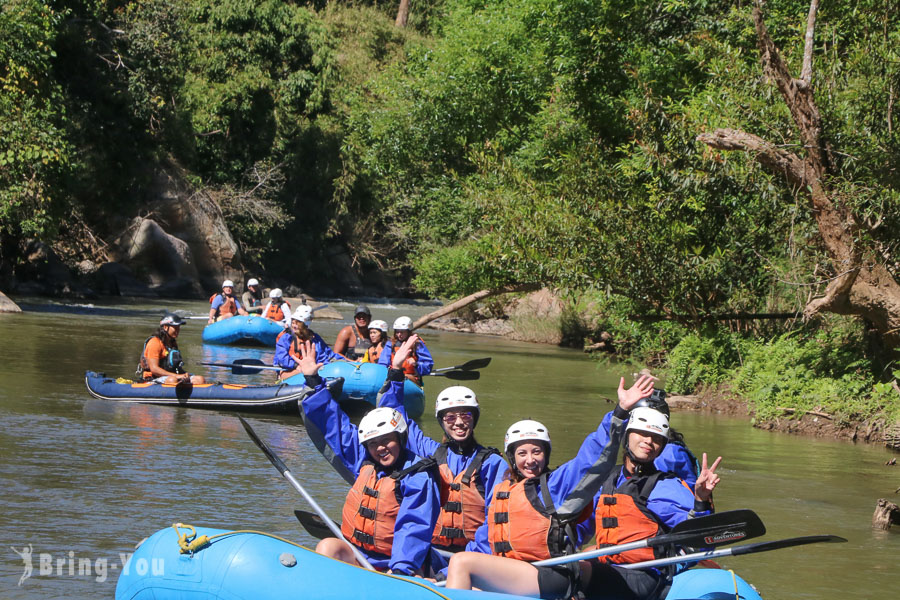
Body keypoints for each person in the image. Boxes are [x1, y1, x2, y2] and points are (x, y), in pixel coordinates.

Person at [444, 376, 656, 599]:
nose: (530, 460)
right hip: (516, 573)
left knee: (461, 561)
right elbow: (484, 544)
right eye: (522, 453)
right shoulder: (503, 492)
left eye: (537, 452)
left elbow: (591, 458)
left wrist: (620, 412)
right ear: (512, 458)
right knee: (466, 576)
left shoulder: (557, 485)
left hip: (551, 573)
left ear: (546, 456)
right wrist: (443, 575)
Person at [296, 339, 441, 575]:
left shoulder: (417, 475)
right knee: (327, 546)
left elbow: (413, 526)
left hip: (399, 564)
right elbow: (336, 426)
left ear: (402, 438)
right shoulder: (365, 462)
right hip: (360, 556)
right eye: (373, 443)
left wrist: (401, 569)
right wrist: (313, 380)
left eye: (387, 441)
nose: (381, 448)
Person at [378, 335, 507, 561]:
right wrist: (396, 371)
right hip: (431, 552)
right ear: (441, 421)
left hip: (473, 557)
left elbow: (497, 519)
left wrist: (466, 561)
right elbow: (395, 418)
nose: (458, 422)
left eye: (465, 415)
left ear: (474, 419)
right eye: (450, 417)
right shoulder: (428, 451)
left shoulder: (493, 464)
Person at [579, 407, 722, 600]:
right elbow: (581, 525)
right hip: (611, 566)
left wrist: (701, 500)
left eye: (656, 438)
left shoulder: (664, 486)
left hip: (644, 575)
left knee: (574, 571)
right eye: (643, 434)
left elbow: (701, 540)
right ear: (627, 436)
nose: (649, 441)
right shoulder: (609, 479)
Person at [274, 305, 340, 379]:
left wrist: (342, 360)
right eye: (293, 321)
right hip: (289, 370)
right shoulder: (286, 338)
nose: (294, 324)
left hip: (310, 369)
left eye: (298, 322)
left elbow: (327, 354)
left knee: (313, 371)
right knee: (304, 372)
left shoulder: (315, 338)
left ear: (306, 324)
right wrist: (296, 365)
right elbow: (282, 358)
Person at [137, 314, 206, 385]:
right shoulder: (154, 343)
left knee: (199, 379)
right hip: (152, 379)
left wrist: (184, 375)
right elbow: (154, 369)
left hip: (171, 376)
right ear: (165, 327)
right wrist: (177, 376)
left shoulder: (172, 343)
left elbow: (176, 367)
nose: (178, 330)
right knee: (172, 380)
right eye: (175, 328)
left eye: (178, 327)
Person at [377, 316, 434, 385]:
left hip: (411, 380)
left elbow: (427, 367)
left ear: (408, 331)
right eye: (397, 332)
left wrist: (416, 364)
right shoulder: (391, 343)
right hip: (393, 376)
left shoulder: (417, 344)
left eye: (402, 332)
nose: (399, 335)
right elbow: (383, 364)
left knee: (407, 377)